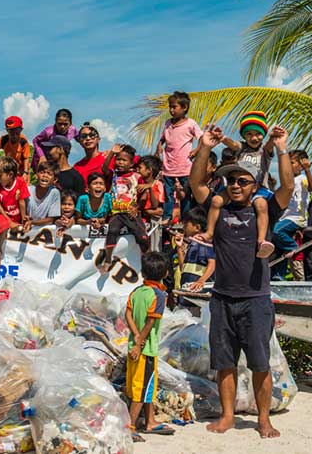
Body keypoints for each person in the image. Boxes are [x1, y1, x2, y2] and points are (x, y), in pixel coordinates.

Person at [189, 123, 292, 439]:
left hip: (256, 300)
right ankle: (228, 416)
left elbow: (286, 187)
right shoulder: (217, 208)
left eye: (242, 181)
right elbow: (195, 183)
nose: (234, 185)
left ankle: (263, 420)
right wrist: (205, 146)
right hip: (221, 298)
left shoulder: (266, 209)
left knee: (260, 365)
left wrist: (283, 148)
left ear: (254, 185)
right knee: (224, 364)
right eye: (230, 180)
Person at [125, 251, 173, 442]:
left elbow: (127, 314)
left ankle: (150, 421)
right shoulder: (159, 295)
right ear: (166, 273)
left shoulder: (136, 292)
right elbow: (150, 323)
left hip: (135, 346)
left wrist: (135, 337)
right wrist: (140, 342)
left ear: (142, 273)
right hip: (145, 350)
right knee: (141, 390)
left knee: (148, 388)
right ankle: (130, 426)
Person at [213, 111, 275, 257]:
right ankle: (210, 232)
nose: (254, 138)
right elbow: (232, 144)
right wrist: (222, 138)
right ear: (244, 136)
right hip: (238, 187)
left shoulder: (264, 150)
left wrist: (273, 137)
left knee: (261, 205)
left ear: (263, 135)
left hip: (258, 189)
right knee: (216, 200)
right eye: (249, 134)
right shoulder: (241, 147)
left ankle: (261, 240)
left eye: (258, 134)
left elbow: (270, 145)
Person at [97, 144, 150, 269]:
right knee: (112, 231)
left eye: (123, 160)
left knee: (142, 236)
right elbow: (104, 169)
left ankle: (146, 260)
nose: (120, 162)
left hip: (132, 213)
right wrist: (111, 153)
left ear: (131, 163)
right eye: (118, 159)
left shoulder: (137, 177)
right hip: (117, 213)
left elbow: (143, 195)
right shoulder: (114, 176)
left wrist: (137, 207)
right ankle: (108, 260)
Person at [156, 91, 202, 221]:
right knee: (168, 194)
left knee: (185, 194)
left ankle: (185, 218)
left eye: (174, 107)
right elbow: (163, 138)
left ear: (184, 108)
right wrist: (159, 146)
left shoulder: (190, 124)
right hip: (168, 166)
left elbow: (202, 138)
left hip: (184, 166)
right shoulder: (168, 124)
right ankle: (167, 216)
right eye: (170, 107)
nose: (171, 110)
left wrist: (196, 150)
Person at [272, 150, 312, 280]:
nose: (288, 165)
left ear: (301, 165)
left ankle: (293, 247)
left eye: (291, 162)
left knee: (276, 231)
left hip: (296, 218)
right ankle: (279, 276)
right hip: (285, 218)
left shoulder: (302, 179)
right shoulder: (288, 181)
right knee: (280, 249)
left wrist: (307, 170)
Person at [0, 157, 30, 268]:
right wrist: (9, 222)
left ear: (10, 174)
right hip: (2, 214)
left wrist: (23, 218)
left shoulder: (20, 182)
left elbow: (22, 201)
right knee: (3, 225)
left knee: (26, 226)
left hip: (16, 214)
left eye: (0, 176)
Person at [172, 207, 215, 300]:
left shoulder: (205, 243)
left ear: (197, 227)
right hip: (187, 292)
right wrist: (179, 248)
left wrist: (201, 281)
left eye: (186, 224)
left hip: (198, 295)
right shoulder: (192, 244)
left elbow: (212, 263)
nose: (183, 227)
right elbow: (183, 267)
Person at [73, 123, 107, 189]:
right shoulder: (77, 167)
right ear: (80, 141)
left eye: (92, 135)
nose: (88, 138)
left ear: (98, 139)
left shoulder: (107, 158)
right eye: (84, 136)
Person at [28, 162, 61, 226]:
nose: (45, 175)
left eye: (49, 174)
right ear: (37, 174)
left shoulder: (54, 193)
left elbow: (50, 220)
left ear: (55, 179)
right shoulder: (28, 190)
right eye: (42, 172)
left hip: (44, 230)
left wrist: (32, 222)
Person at [138, 155, 164, 223]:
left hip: (153, 221)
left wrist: (150, 189)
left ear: (149, 170)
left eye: (140, 168)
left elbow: (155, 206)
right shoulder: (138, 182)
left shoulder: (158, 185)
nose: (137, 170)